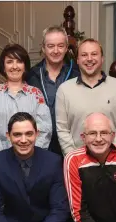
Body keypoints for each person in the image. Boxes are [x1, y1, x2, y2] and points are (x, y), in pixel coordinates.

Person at [0, 112, 71, 222]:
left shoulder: (53, 161)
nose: (23, 140)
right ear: (8, 136)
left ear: (37, 134)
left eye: (29, 134)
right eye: (17, 134)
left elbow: (60, 208)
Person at [56, 38, 116, 156]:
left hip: (113, 161)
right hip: (78, 162)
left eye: (94, 54)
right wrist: (75, 159)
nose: (89, 59)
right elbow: (62, 130)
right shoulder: (64, 90)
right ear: (78, 60)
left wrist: (112, 156)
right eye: (84, 55)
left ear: (102, 59)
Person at [0, 44, 52, 154]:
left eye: (19, 61)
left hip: (32, 158)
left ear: (25, 66)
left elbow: (45, 129)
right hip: (0, 157)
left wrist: (31, 153)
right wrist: (2, 154)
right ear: (3, 67)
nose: (14, 66)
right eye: (9, 62)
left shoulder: (35, 94)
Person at [27, 25, 80, 155]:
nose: (56, 51)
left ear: (66, 48)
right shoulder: (31, 75)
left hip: (71, 143)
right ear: (43, 48)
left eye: (60, 46)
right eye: (51, 46)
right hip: (39, 144)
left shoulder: (77, 75)